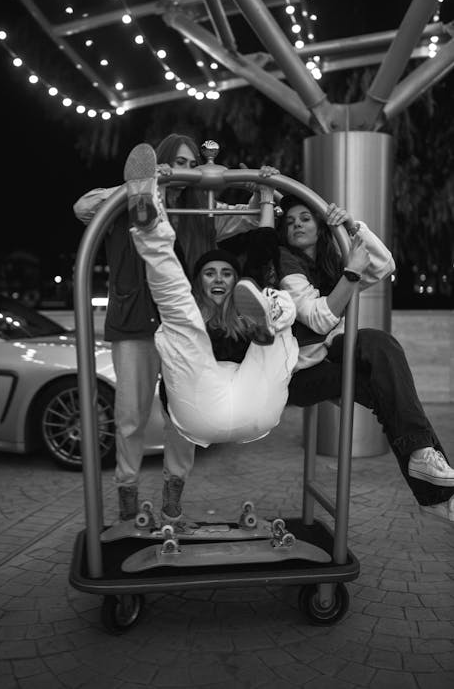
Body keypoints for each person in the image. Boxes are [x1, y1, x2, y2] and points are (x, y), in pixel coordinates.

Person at [73, 134, 264, 523]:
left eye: (193, 164)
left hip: (184, 327)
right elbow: (83, 207)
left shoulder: (204, 210)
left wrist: (259, 184)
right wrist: (142, 184)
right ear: (161, 163)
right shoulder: (129, 204)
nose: (186, 172)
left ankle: (172, 498)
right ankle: (127, 500)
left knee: (185, 413)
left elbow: (253, 214)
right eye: (179, 162)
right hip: (135, 324)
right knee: (130, 415)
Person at [276, 195, 454, 524]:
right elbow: (318, 318)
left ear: (320, 226)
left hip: (327, 354)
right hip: (298, 374)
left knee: (380, 344)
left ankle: (425, 464)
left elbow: (385, 265)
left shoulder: (332, 259)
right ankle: (434, 493)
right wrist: (352, 274)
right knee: (390, 395)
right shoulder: (287, 265)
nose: (297, 224)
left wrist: (351, 226)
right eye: (289, 221)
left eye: (305, 218)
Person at [125, 142, 299, 453]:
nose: (218, 279)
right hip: (201, 402)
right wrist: (159, 188)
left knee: (266, 294)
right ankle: (150, 218)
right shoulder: (190, 310)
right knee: (178, 307)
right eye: (209, 273)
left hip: (253, 398)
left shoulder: (242, 303)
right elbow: (176, 275)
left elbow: (262, 252)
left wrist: (265, 192)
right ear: (199, 281)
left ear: (234, 282)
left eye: (226, 273)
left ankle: (268, 320)